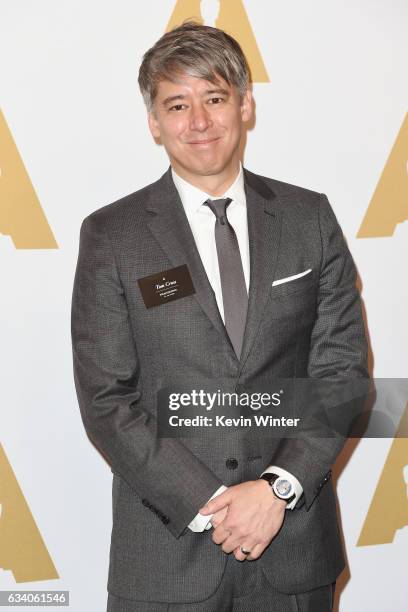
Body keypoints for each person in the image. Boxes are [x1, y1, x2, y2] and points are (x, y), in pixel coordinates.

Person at [71, 21, 368, 612]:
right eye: (176, 105)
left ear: (245, 103)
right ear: (154, 122)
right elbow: (106, 398)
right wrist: (209, 499)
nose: (198, 122)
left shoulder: (310, 218)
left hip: (294, 548)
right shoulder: (112, 235)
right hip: (165, 553)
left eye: (213, 98)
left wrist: (276, 491)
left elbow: (343, 372)